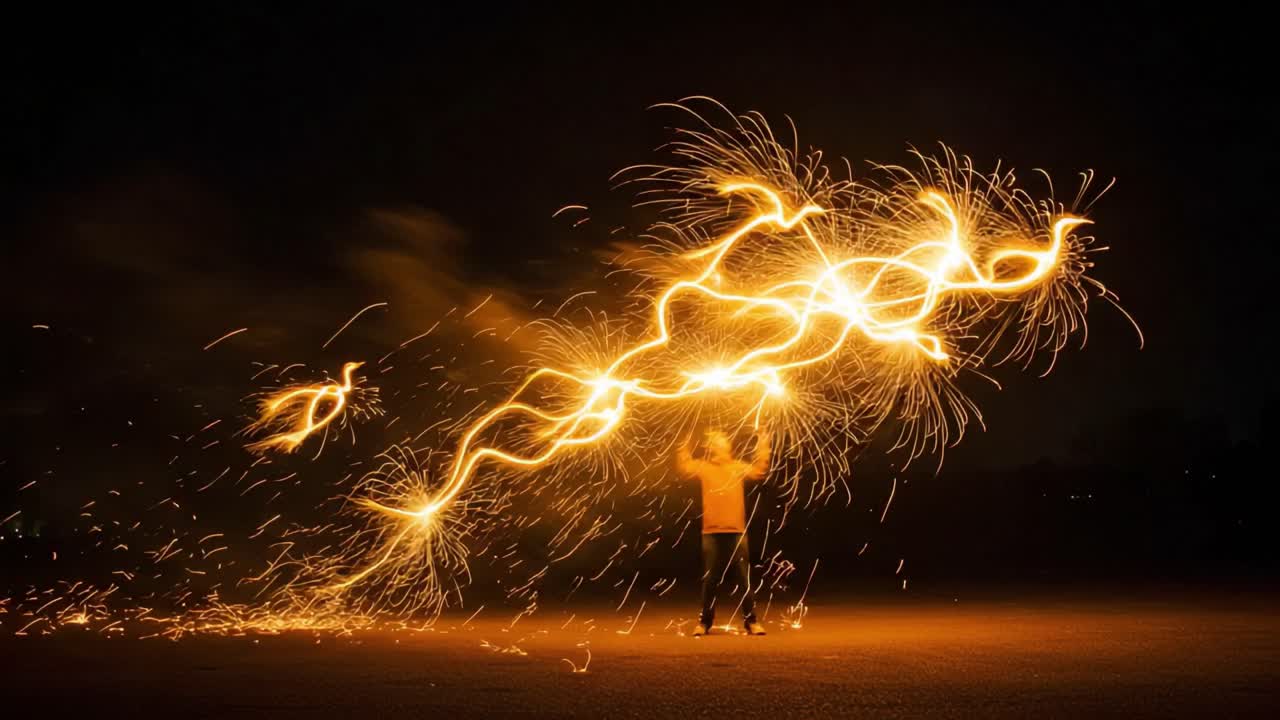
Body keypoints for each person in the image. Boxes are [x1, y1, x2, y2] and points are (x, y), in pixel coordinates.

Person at [676, 427, 771, 636]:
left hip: (736, 531)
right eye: (714, 443)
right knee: (710, 580)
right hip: (711, 532)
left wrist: (763, 442)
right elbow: (684, 466)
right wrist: (683, 442)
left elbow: (759, 470)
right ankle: (704, 623)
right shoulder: (704, 467)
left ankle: (751, 621)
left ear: (727, 446)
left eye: (720, 441)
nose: (718, 445)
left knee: (743, 579)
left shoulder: (737, 467)